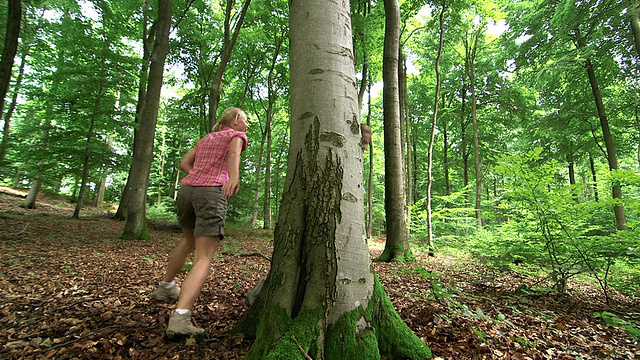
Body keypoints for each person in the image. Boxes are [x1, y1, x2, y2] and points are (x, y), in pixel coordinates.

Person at [151, 107, 249, 339]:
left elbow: (185, 164)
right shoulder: (235, 136)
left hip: (187, 190)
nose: (246, 126)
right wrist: (233, 178)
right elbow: (234, 154)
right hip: (211, 192)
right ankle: (180, 319)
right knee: (204, 256)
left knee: (188, 241)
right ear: (235, 121)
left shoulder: (206, 138)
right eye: (244, 120)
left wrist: (199, 175)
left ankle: (166, 288)